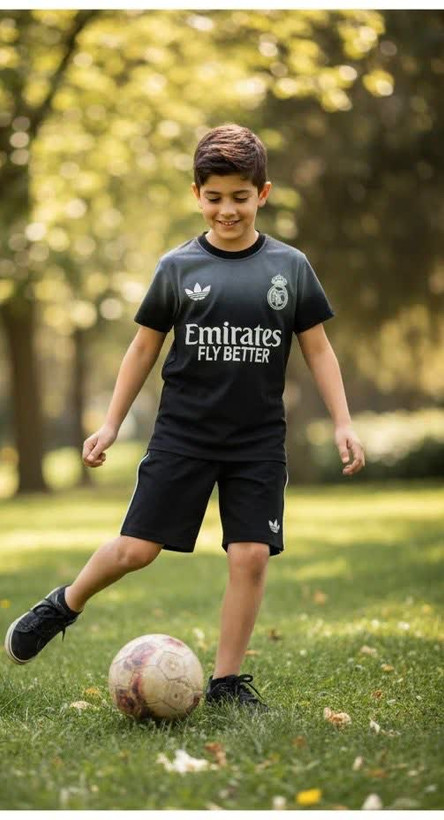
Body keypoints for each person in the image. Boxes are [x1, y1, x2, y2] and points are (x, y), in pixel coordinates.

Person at [4, 124, 365, 710]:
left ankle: (226, 683)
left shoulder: (290, 266)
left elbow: (319, 350)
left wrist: (344, 421)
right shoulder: (177, 267)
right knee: (136, 550)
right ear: (197, 195)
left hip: (257, 440)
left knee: (250, 554)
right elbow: (143, 348)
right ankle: (62, 604)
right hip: (184, 435)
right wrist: (111, 423)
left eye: (240, 197)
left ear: (263, 194)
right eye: (215, 197)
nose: (228, 209)